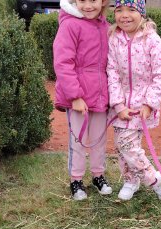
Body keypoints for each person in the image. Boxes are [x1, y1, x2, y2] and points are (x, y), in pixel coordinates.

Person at [107, 0, 161, 201]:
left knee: (128, 144)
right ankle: (134, 180)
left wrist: (149, 103)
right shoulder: (114, 39)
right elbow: (112, 72)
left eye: (131, 10)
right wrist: (118, 104)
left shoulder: (152, 39)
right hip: (121, 106)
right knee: (122, 145)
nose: (124, 15)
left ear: (141, 13)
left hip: (142, 106)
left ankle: (153, 180)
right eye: (119, 10)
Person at [52, 0, 112, 201]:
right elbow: (62, 62)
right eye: (82, 0)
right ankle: (76, 180)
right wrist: (75, 96)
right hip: (78, 98)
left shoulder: (104, 25)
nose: (88, 5)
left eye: (93, 0)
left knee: (98, 139)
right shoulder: (69, 25)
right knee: (77, 140)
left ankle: (98, 176)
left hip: (100, 94)